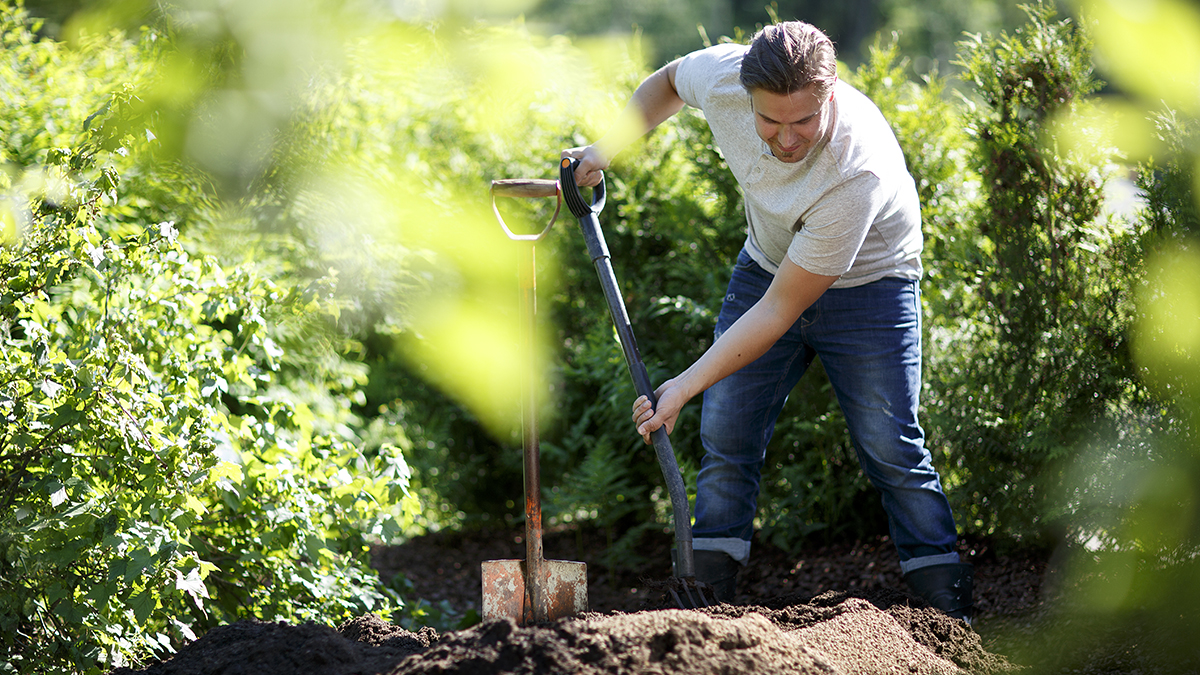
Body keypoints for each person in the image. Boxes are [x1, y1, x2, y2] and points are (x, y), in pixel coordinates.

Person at [561, 20, 974, 621]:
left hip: (871, 288)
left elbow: (783, 310)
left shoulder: (856, 170)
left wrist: (683, 386)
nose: (785, 139)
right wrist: (603, 151)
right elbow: (671, 80)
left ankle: (946, 607)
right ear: (746, 95)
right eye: (769, 121)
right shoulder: (728, 78)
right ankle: (707, 601)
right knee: (726, 431)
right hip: (769, 265)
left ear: (829, 95)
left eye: (803, 121)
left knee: (890, 445)